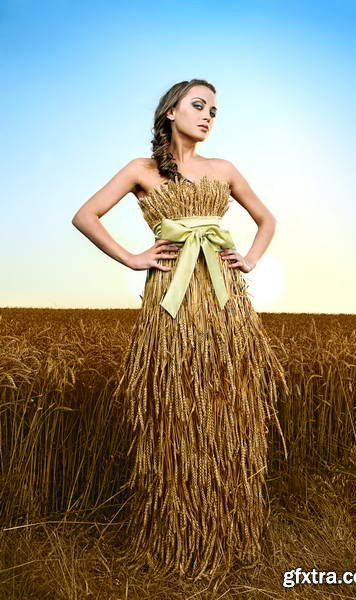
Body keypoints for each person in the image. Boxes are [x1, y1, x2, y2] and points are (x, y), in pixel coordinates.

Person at [71, 78, 289, 580]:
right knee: (175, 412)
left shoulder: (224, 169)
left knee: (225, 407)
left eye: (215, 109)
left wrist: (249, 261)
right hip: (170, 303)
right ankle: (175, 534)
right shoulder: (141, 170)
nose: (209, 115)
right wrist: (132, 257)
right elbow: (86, 215)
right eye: (198, 105)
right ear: (170, 111)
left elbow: (267, 219)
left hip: (224, 304)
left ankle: (228, 531)